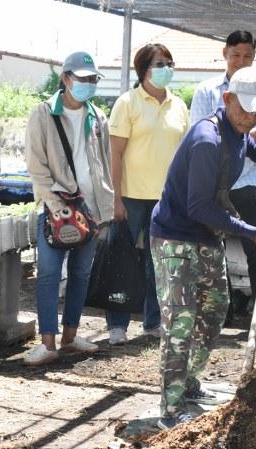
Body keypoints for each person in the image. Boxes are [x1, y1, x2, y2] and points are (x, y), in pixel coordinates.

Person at [150, 67, 256, 429]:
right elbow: (200, 207)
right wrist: (253, 232)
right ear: (227, 99)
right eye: (245, 110)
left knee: (216, 309)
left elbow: (251, 146)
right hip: (175, 236)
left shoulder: (237, 131)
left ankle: (190, 382)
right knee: (181, 320)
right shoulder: (207, 140)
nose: (251, 119)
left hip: (205, 236)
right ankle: (170, 407)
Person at [24, 51, 114, 365]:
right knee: (49, 274)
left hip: (90, 211)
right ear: (66, 78)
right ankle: (47, 342)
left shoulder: (99, 117)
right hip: (56, 209)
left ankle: (71, 335)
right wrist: (55, 204)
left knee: (81, 273)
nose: (88, 84)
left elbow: (104, 163)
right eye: (83, 78)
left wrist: (105, 208)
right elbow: (36, 165)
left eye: (93, 79)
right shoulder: (44, 114)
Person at [189, 30, 256, 339]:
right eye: (236, 55)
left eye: (248, 56)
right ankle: (222, 311)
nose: (242, 61)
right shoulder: (207, 89)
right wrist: (239, 136)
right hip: (211, 184)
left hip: (244, 182)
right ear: (225, 53)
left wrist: (230, 136)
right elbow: (202, 136)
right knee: (212, 247)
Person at [105, 43, 190, 346]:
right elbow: (115, 154)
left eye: (169, 62)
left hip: (167, 200)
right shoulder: (127, 103)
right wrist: (115, 198)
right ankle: (117, 324)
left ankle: (153, 321)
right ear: (143, 69)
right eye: (158, 63)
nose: (166, 68)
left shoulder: (179, 106)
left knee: (160, 264)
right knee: (122, 261)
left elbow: (184, 156)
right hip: (130, 196)